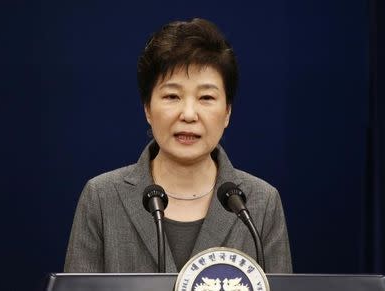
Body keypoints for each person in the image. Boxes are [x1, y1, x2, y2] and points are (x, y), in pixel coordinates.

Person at [64, 18, 292, 273]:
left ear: (227, 111)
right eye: (172, 96)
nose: (189, 114)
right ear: (148, 109)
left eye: (206, 97)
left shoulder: (260, 202)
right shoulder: (102, 198)